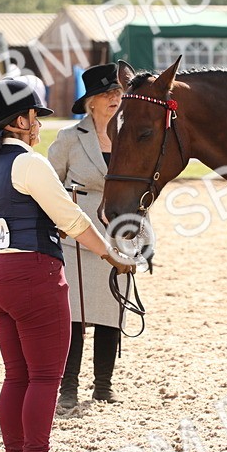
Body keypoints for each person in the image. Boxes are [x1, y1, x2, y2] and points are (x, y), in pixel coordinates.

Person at [0, 78, 135, 452]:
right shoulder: (29, 162)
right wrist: (110, 254)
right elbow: (71, 219)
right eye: (33, 116)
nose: (38, 124)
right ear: (16, 122)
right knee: (46, 377)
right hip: (33, 275)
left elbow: (26, 219)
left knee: (17, 375)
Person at [48, 63, 127, 407]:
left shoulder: (133, 134)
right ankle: (68, 388)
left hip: (120, 235)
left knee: (111, 312)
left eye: (118, 92)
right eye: (107, 93)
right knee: (74, 315)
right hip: (76, 238)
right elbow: (49, 186)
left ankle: (104, 386)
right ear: (91, 101)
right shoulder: (69, 139)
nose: (115, 98)